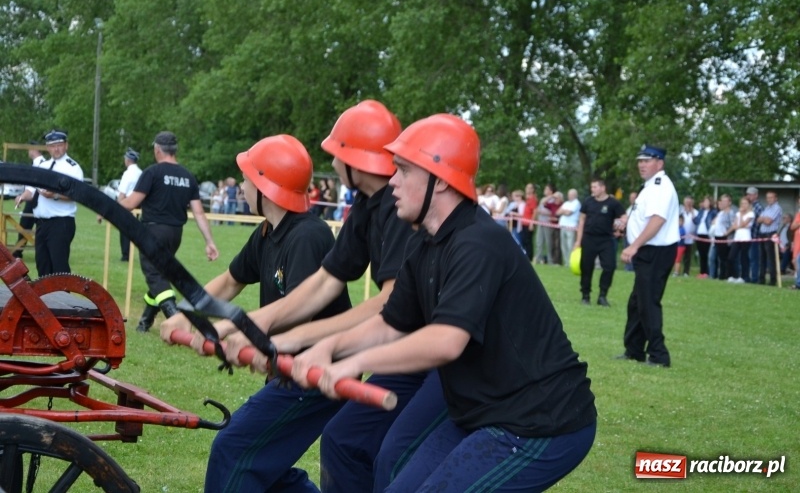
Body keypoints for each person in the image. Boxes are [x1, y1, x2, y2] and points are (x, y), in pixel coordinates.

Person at [285, 114, 596, 492]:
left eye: (402, 170)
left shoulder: (477, 243)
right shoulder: (424, 241)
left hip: (539, 423)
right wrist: (328, 348)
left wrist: (354, 363)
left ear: (441, 180)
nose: (392, 181)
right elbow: (390, 324)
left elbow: (446, 341)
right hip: (476, 413)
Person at [164, 100, 419, 492]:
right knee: (272, 461)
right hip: (302, 361)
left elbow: (384, 303)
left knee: (237, 448)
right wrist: (195, 315)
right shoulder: (355, 211)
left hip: (331, 366)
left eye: (336, 152)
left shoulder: (315, 234)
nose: (330, 160)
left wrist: (255, 333)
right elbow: (247, 281)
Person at [160, 134, 352, 492]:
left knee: (234, 449)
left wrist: (234, 331)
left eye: (248, 179)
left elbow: (296, 312)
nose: (244, 187)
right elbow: (230, 281)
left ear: (267, 187)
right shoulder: (267, 232)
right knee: (268, 469)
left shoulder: (308, 236)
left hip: (313, 375)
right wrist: (184, 313)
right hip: (285, 368)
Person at [119, 131, 219, 332]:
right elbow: (199, 212)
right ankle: (145, 321)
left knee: (155, 277)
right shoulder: (187, 176)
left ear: (157, 149)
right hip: (175, 234)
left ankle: (176, 321)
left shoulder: (152, 173)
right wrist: (209, 241)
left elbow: (131, 203)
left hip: (153, 231)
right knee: (161, 273)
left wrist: (112, 205)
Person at [619, 144, 679, 368]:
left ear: (660, 163)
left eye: (647, 160)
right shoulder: (650, 187)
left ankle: (659, 355)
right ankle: (634, 350)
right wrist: (624, 223)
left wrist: (634, 245)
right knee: (637, 302)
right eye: (640, 161)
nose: (642, 165)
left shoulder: (661, 186)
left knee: (647, 303)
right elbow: (643, 216)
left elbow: (657, 220)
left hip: (655, 251)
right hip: (649, 250)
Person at [14, 129, 84, 276]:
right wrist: (22, 196)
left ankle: (64, 299)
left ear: (66, 145)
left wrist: (55, 195)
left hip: (61, 222)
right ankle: (46, 299)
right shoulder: (43, 166)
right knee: (43, 264)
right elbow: (32, 191)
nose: (56, 149)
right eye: (52, 146)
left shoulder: (72, 168)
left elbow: (77, 194)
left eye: (59, 145)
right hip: (42, 223)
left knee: (59, 267)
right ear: (47, 148)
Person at [574, 178, 626, 307]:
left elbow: (624, 216)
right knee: (586, 268)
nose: (593, 190)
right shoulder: (588, 202)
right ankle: (585, 295)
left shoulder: (613, 203)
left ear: (603, 188)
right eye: (592, 187)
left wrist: (620, 224)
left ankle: (602, 295)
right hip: (589, 238)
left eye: (595, 187)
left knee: (610, 266)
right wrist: (578, 241)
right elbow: (581, 221)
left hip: (606, 240)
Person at [12, 139, 47, 259]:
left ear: (33, 149)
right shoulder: (39, 163)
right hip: (35, 201)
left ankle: (17, 252)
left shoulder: (40, 164)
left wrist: (21, 197)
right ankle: (17, 252)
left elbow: (31, 191)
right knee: (25, 227)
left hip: (36, 201)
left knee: (24, 226)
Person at [116, 148, 143, 262]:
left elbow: (122, 193)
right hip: (139, 205)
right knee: (134, 230)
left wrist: (116, 207)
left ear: (127, 160)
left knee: (125, 231)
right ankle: (132, 253)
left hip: (127, 203)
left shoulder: (128, 173)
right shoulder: (141, 172)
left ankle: (125, 255)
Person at [756, 190, 782, 286]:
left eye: (771, 197)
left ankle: (772, 280)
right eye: (767, 197)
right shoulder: (767, 208)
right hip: (762, 234)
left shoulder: (777, 208)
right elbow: (758, 220)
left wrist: (763, 219)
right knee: (762, 257)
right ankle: (761, 279)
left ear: (776, 198)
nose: (769, 199)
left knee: (771, 258)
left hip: (771, 234)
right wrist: (763, 219)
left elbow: (768, 221)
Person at [727, 196, 754, 284]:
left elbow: (743, 223)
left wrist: (742, 216)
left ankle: (744, 277)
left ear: (749, 205)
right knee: (731, 256)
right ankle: (733, 275)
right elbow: (735, 225)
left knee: (744, 258)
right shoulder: (737, 214)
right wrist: (739, 225)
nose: (743, 205)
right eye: (742, 203)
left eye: (745, 203)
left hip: (745, 238)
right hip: (737, 237)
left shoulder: (751, 214)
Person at [708, 194, 735, 280]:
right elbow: (713, 222)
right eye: (722, 201)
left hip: (724, 238)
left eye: (725, 201)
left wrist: (726, 233)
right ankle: (720, 275)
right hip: (717, 236)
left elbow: (733, 224)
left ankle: (726, 275)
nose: (722, 203)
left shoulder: (731, 213)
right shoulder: (720, 213)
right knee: (719, 257)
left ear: (729, 202)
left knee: (725, 258)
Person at [692, 195, 716, 278]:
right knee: (701, 254)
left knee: (706, 254)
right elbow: (696, 220)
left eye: (706, 201)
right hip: (699, 234)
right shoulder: (701, 211)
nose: (705, 203)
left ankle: (707, 272)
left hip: (707, 235)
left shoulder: (713, 212)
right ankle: (702, 272)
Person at [556, 188, 581, 264]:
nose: (569, 196)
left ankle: (571, 262)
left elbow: (569, 213)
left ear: (575, 195)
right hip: (563, 226)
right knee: (563, 246)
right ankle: (566, 262)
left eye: (571, 195)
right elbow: (557, 212)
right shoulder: (566, 203)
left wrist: (563, 211)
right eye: (569, 194)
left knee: (570, 245)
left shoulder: (576, 203)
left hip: (571, 227)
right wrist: (564, 211)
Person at [744, 186, 763, 283]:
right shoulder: (748, 206)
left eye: (750, 194)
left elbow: (757, 223)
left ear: (756, 195)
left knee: (753, 259)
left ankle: (754, 278)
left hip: (754, 236)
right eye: (747, 194)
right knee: (746, 258)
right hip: (746, 237)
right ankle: (746, 277)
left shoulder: (758, 207)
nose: (748, 196)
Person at [679, 196, 697, 276]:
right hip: (680, 237)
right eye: (687, 202)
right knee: (678, 255)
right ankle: (677, 271)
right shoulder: (680, 212)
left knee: (687, 256)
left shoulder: (696, 212)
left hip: (690, 237)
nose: (688, 204)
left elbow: (696, 222)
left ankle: (686, 272)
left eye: (690, 202)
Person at [520, 183, 537, 260]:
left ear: (533, 190)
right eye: (527, 188)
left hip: (528, 223)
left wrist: (531, 223)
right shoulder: (527, 199)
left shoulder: (533, 199)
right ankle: (526, 255)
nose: (528, 189)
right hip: (524, 222)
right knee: (524, 240)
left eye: (530, 188)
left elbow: (535, 211)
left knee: (528, 241)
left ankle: (529, 257)